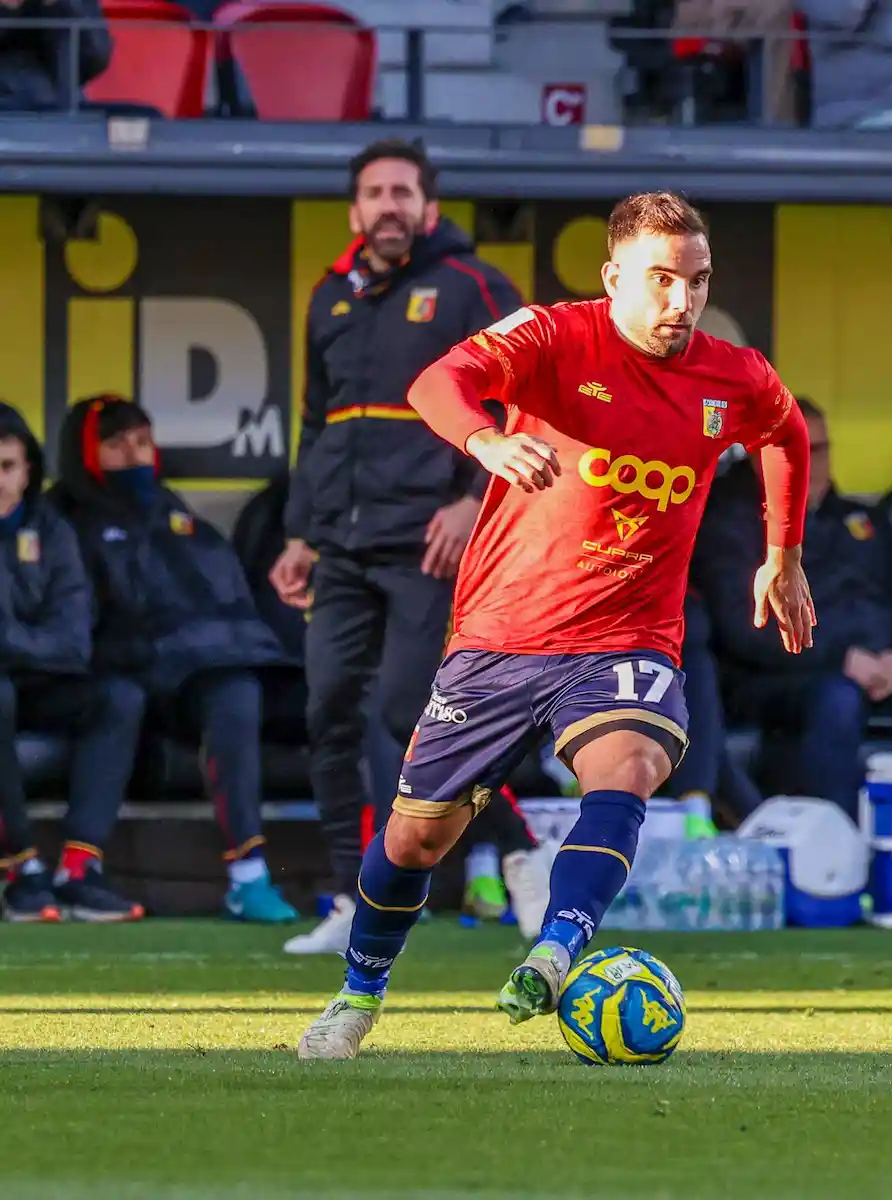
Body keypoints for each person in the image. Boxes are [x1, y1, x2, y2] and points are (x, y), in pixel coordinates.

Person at [296, 189, 815, 1061]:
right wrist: (486, 443)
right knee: (415, 838)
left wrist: (783, 554)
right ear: (613, 278)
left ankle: (559, 944)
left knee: (632, 764)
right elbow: (436, 382)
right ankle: (359, 992)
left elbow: (786, 432)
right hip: (502, 632)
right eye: (661, 279)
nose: (682, 300)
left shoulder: (733, 375)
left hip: (629, 635)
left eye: (696, 281)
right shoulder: (550, 336)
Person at [268, 138, 526, 956]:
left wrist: (471, 500)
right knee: (327, 714)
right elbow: (316, 424)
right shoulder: (328, 296)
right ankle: (351, 898)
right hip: (341, 546)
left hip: (429, 542)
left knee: (410, 712)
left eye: (403, 192)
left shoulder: (473, 286)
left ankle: (518, 849)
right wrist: (299, 533)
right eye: (375, 193)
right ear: (355, 211)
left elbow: (525, 404)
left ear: (429, 208)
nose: (389, 205)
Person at [693, 396, 892, 814]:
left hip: (882, 678)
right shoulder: (730, 525)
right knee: (838, 700)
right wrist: (841, 658)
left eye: (819, 449)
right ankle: (834, 847)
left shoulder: (861, 522)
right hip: (785, 680)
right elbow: (743, 625)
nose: (810, 462)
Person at [51, 394, 298, 924]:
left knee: (242, 689)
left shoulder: (170, 510)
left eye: (143, 441)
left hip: (189, 676)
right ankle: (78, 870)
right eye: (116, 445)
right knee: (127, 695)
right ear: (86, 454)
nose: (134, 455)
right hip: (118, 679)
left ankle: (250, 875)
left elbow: (225, 604)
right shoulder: (64, 518)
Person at [0, 402, 146, 922]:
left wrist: (10, 641)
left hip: (39, 680)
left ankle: (80, 868)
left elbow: (71, 643)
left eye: (7, 467)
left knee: (119, 697)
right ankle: (19, 869)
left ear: (28, 471)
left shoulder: (53, 531)